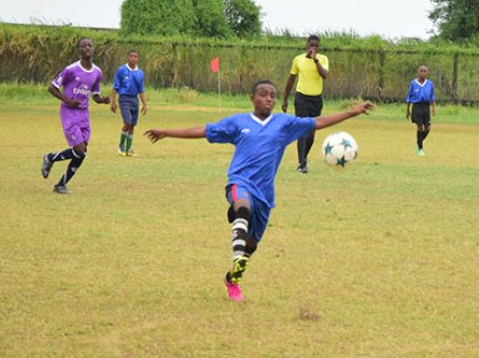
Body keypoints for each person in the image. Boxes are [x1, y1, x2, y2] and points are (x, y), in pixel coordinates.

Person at [144, 80, 374, 302]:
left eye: (272, 95)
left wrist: (353, 112)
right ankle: (237, 219)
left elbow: (319, 121)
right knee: (243, 205)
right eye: (263, 94)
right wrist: (167, 132)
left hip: (265, 194)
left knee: (251, 246)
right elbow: (204, 130)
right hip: (239, 182)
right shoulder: (238, 122)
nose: (268, 99)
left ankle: (232, 278)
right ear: (252, 98)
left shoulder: (284, 124)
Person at [41, 37, 110, 194]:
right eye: (83, 46)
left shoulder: (97, 72)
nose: (87, 48)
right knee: (79, 149)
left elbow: (95, 94)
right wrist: (68, 101)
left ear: (94, 49)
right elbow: (52, 88)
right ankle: (50, 157)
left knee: (83, 152)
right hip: (69, 112)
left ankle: (60, 185)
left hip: (84, 114)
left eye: (90, 46)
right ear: (79, 50)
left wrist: (103, 100)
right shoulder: (71, 69)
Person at [281, 35, 329, 173]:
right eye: (311, 45)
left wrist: (315, 60)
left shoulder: (323, 59)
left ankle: (304, 158)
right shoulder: (298, 60)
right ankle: (301, 164)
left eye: (316, 46)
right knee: (302, 129)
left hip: (316, 99)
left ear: (319, 48)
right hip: (301, 98)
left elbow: (324, 75)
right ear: (306, 46)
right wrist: (285, 98)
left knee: (311, 132)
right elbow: (291, 80)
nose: (313, 48)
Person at [111, 49, 147, 156]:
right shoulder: (121, 70)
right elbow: (115, 87)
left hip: (134, 99)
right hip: (124, 99)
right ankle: (121, 146)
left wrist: (144, 104)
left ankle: (129, 149)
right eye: (131, 56)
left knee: (132, 125)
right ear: (127, 57)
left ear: (138, 58)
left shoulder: (140, 73)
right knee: (127, 122)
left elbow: (141, 90)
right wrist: (113, 102)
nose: (133, 58)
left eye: (135, 56)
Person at [405, 65, 436, 156]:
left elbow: (432, 96)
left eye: (425, 71)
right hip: (417, 106)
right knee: (420, 127)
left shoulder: (430, 83)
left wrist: (433, 107)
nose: (423, 73)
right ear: (418, 73)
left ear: (427, 73)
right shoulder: (413, 83)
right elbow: (409, 96)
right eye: (421, 71)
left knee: (428, 128)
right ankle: (420, 148)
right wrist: (408, 109)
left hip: (426, 107)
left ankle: (419, 141)